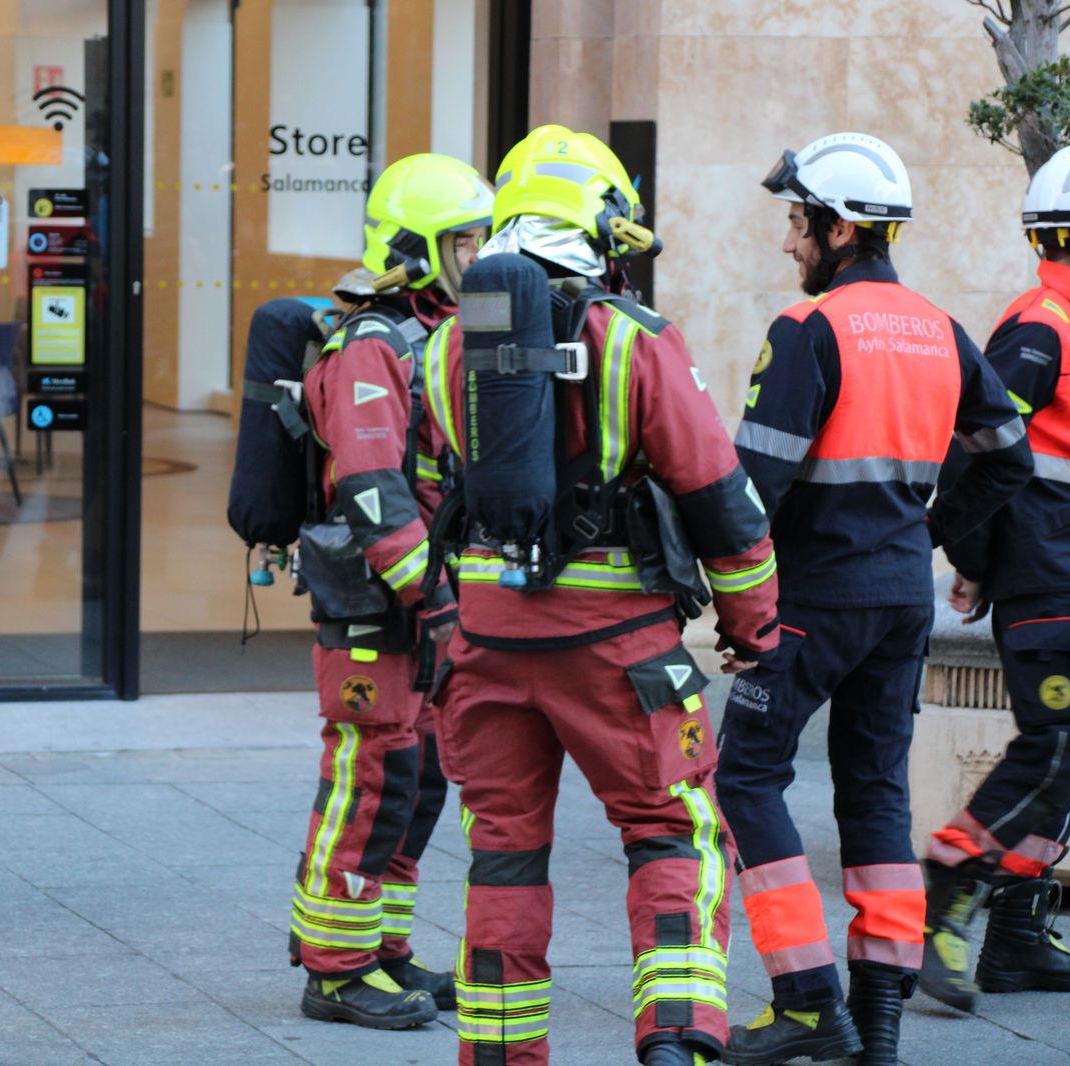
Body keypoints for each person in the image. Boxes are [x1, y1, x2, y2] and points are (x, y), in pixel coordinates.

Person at [423, 124, 781, 1066]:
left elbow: (446, 497)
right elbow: (722, 501)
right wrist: (754, 626)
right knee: (674, 834)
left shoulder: (444, 346)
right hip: (621, 649)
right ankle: (675, 1040)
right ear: (599, 219)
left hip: (489, 642)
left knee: (502, 852)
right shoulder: (633, 341)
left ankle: (500, 1054)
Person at [715, 132, 1033, 1066]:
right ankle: (877, 1020)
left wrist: (729, 595)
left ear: (841, 227)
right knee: (874, 791)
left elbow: (753, 486)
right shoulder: (939, 326)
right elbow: (1006, 454)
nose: (788, 242)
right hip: (900, 600)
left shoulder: (808, 330)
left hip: (816, 594)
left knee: (744, 777)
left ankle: (809, 1002)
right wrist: (927, 533)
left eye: (797, 220)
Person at [919, 144, 1070, 1012]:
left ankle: (1015, 936)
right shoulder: (1038, 328)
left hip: (1069, 579)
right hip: (1040, 578)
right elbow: (972, 442)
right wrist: (969, 555)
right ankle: (951, 878)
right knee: (1050, 744)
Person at [288, 152, 492, 1029]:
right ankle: (335, 969)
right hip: (380, 607)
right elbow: (373, 490)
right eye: (466, 241)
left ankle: (384, 950)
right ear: (418, 247)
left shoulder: (439, 330)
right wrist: (435, 601)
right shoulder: (372, 341)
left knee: (415, 779)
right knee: (368, 778)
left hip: (420, 603)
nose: (479, 257)